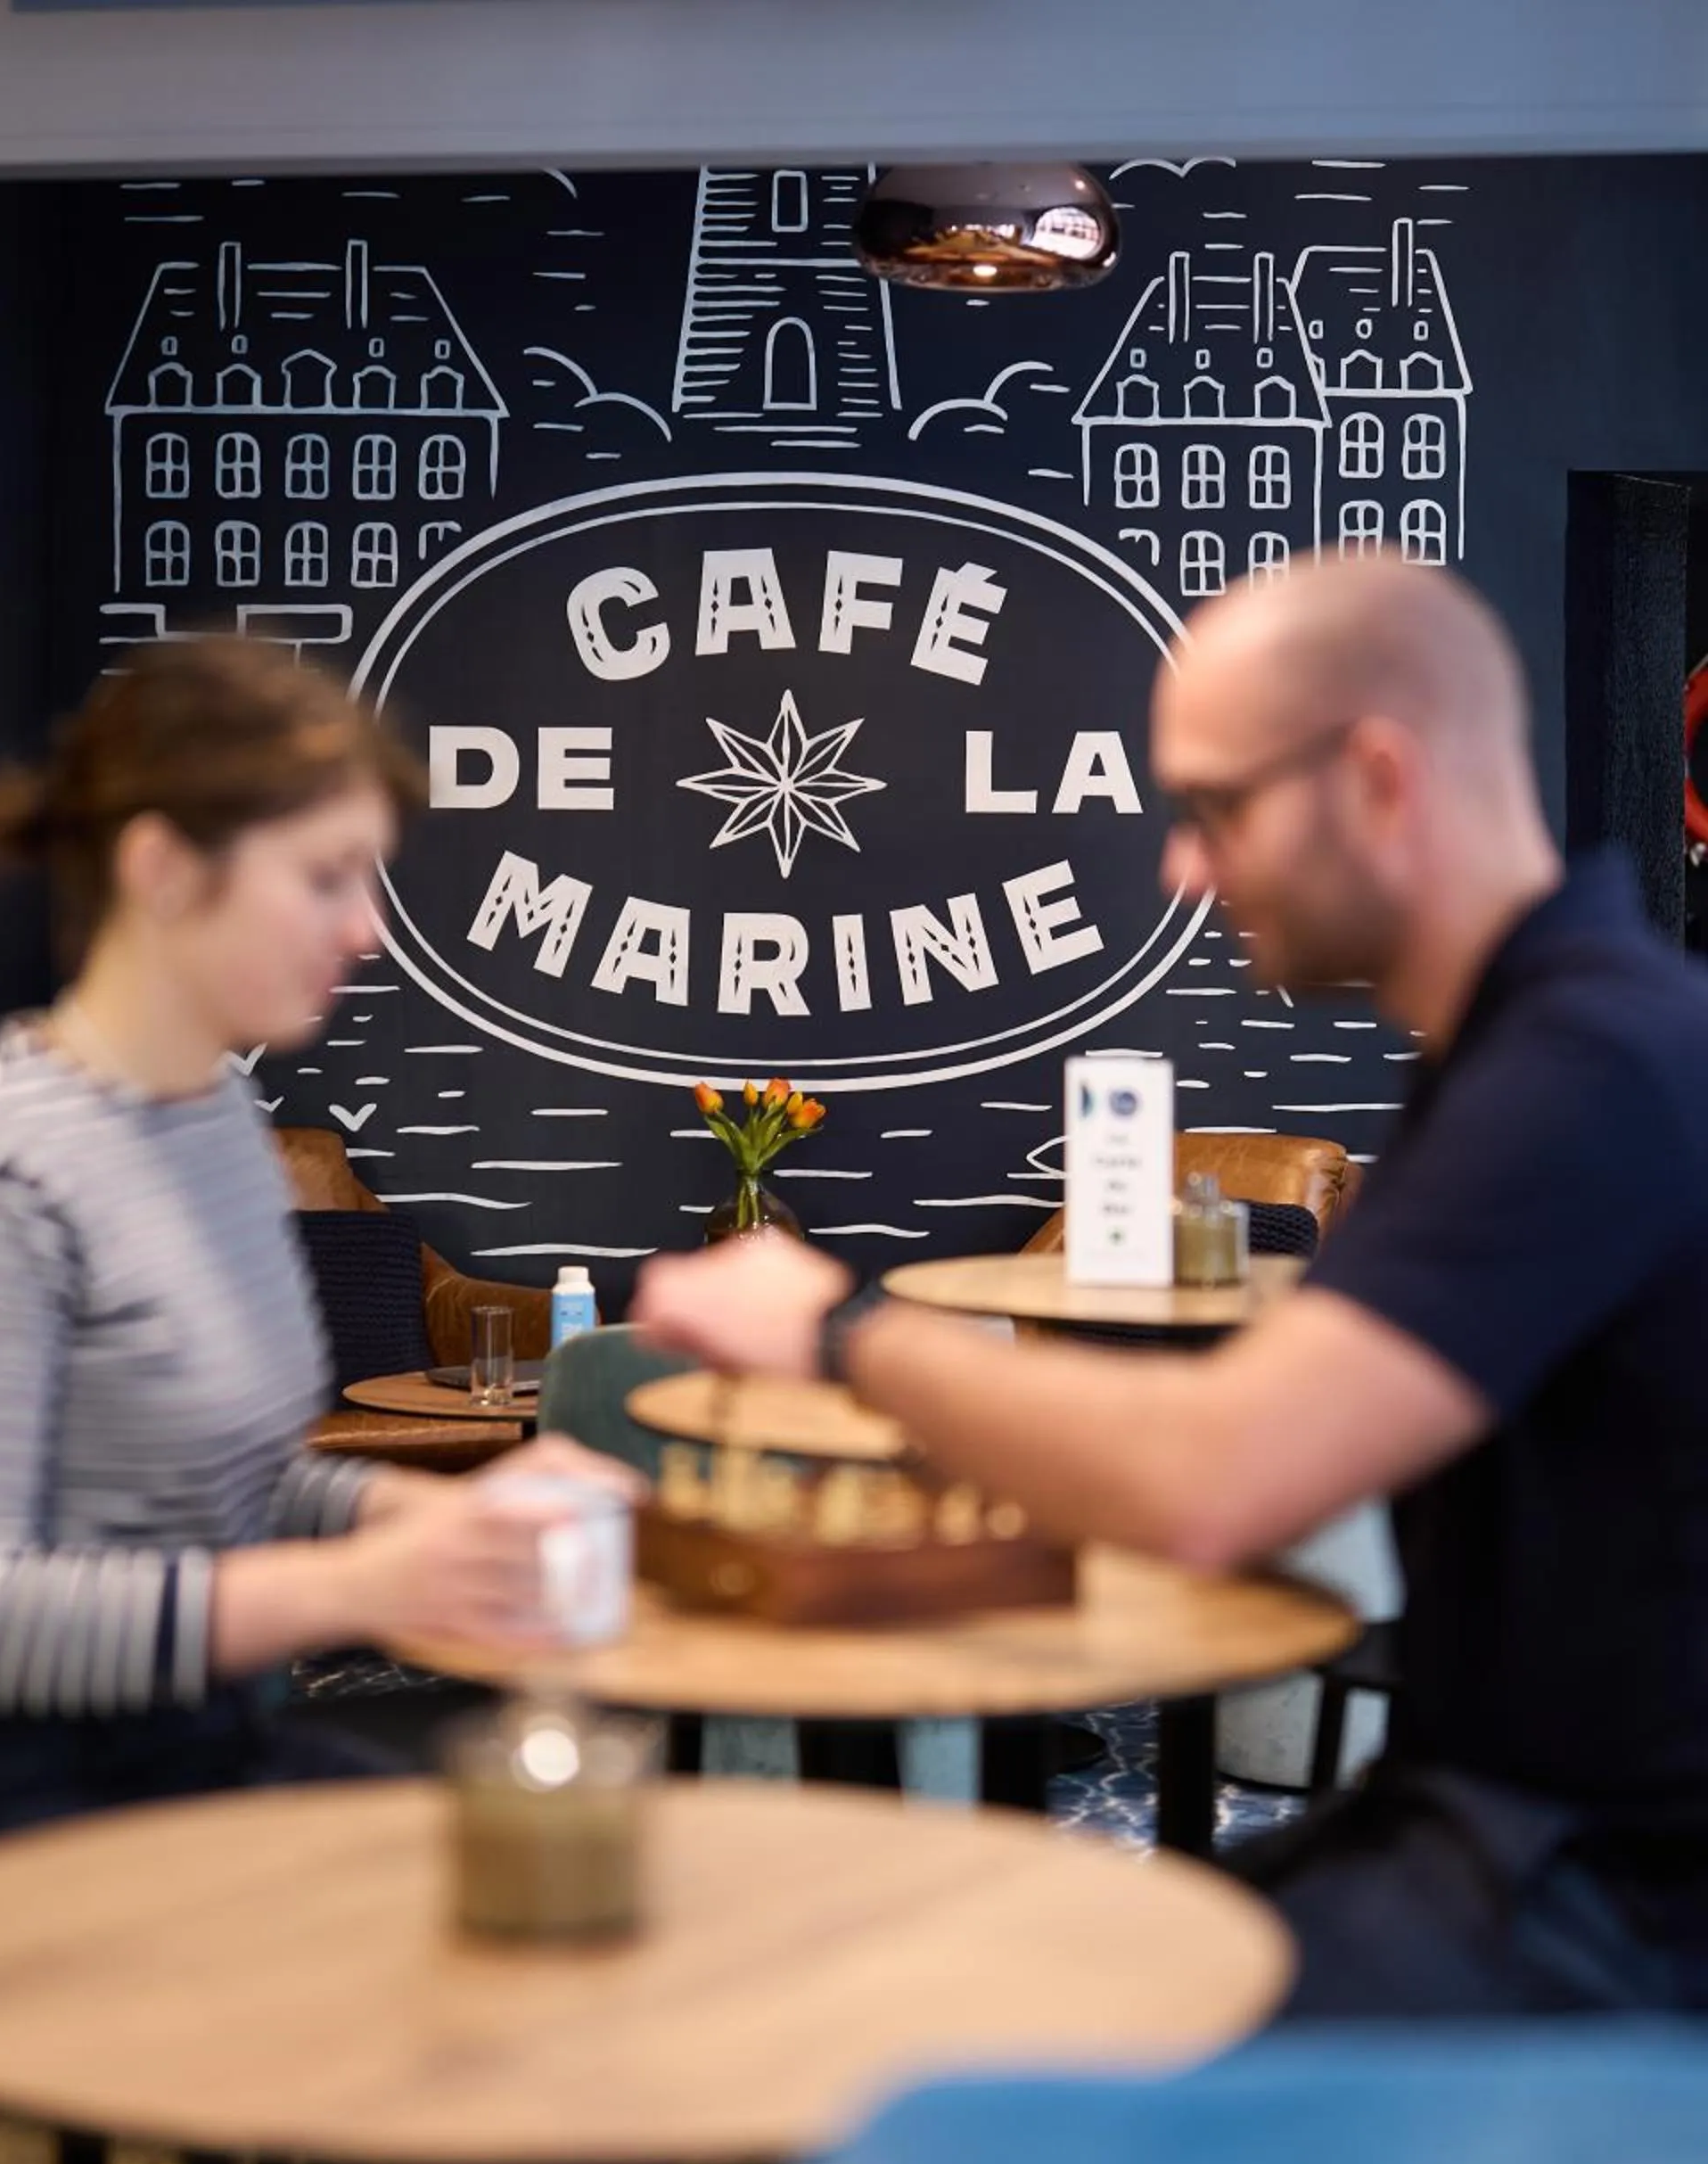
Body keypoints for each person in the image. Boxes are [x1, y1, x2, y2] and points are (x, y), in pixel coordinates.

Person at [634, 551, 1708, 2021]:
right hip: (1506, 1834)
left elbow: (1219, 1478)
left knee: (1004, 2054)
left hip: (1614, 1906)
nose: (1183, 870)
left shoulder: (1585, 1072)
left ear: (1378, 779)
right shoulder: (1538, 1046)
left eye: (1215, 807)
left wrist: (833, 1329)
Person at [0, 637, 636, 2164]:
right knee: (537, 2078)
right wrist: (343, 1591)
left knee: (610, 1984)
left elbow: (243, 1478)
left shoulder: (221, 1128)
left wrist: (419, 1519)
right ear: (162, 869)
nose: (365, 925)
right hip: (23, 1818)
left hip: (205, 1758)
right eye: (328, 877)